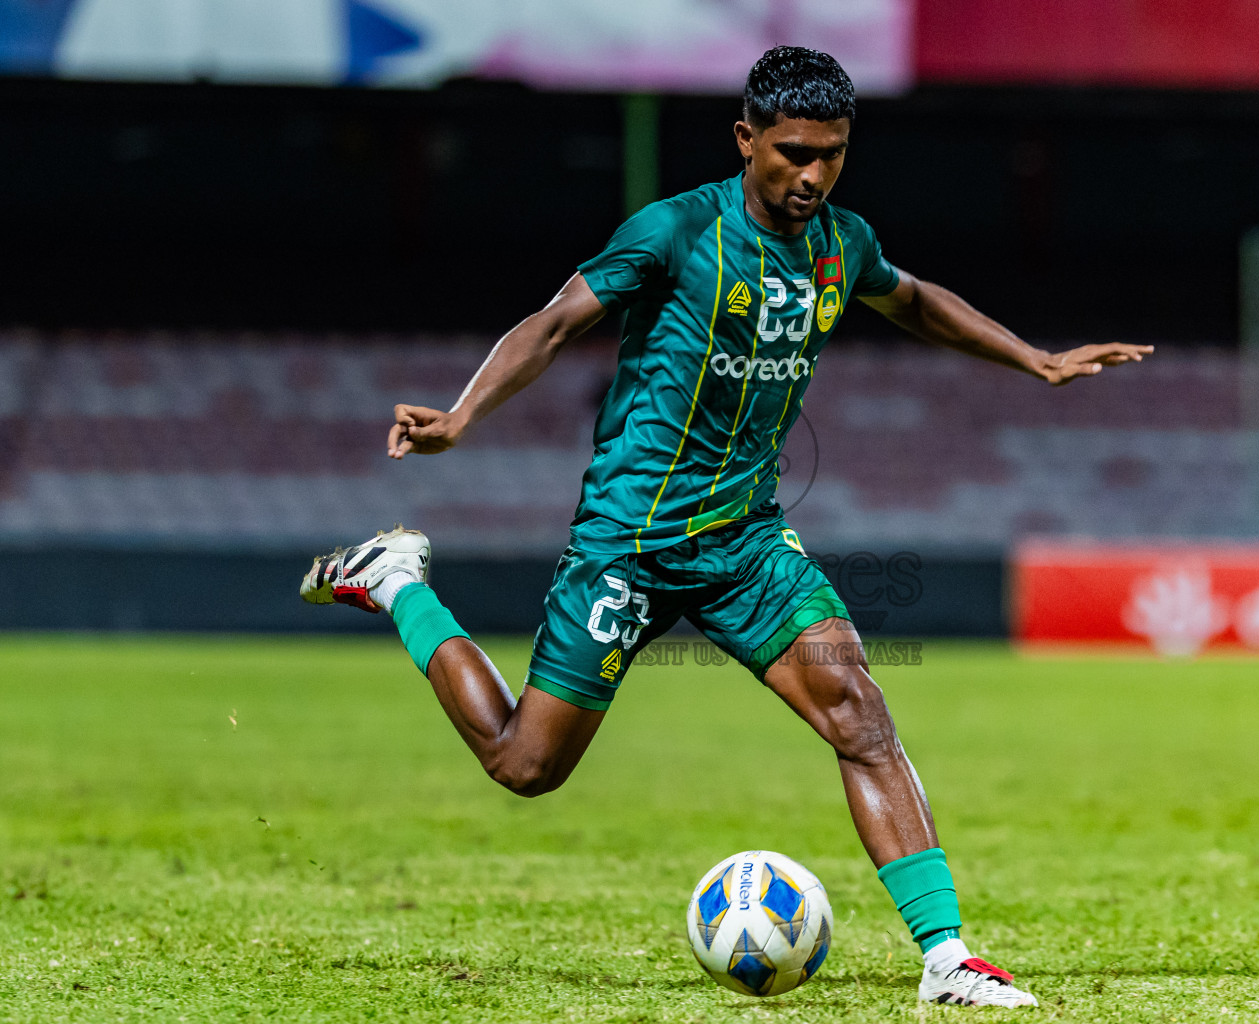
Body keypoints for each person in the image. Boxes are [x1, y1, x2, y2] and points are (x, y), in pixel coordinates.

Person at [301, 45, 1151, 1008]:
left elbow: (911, 300)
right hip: (632, 540)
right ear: (746, 139)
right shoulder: (674, 233)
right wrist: (459, 417)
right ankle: (397, 580)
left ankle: (947, 957)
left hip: (744, 540)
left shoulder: (841, 240)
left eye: (832, 153)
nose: (813, 174)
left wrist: (1033, 360)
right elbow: (549, 324)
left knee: (859, 713)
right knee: (524, 764)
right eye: (792, 152)